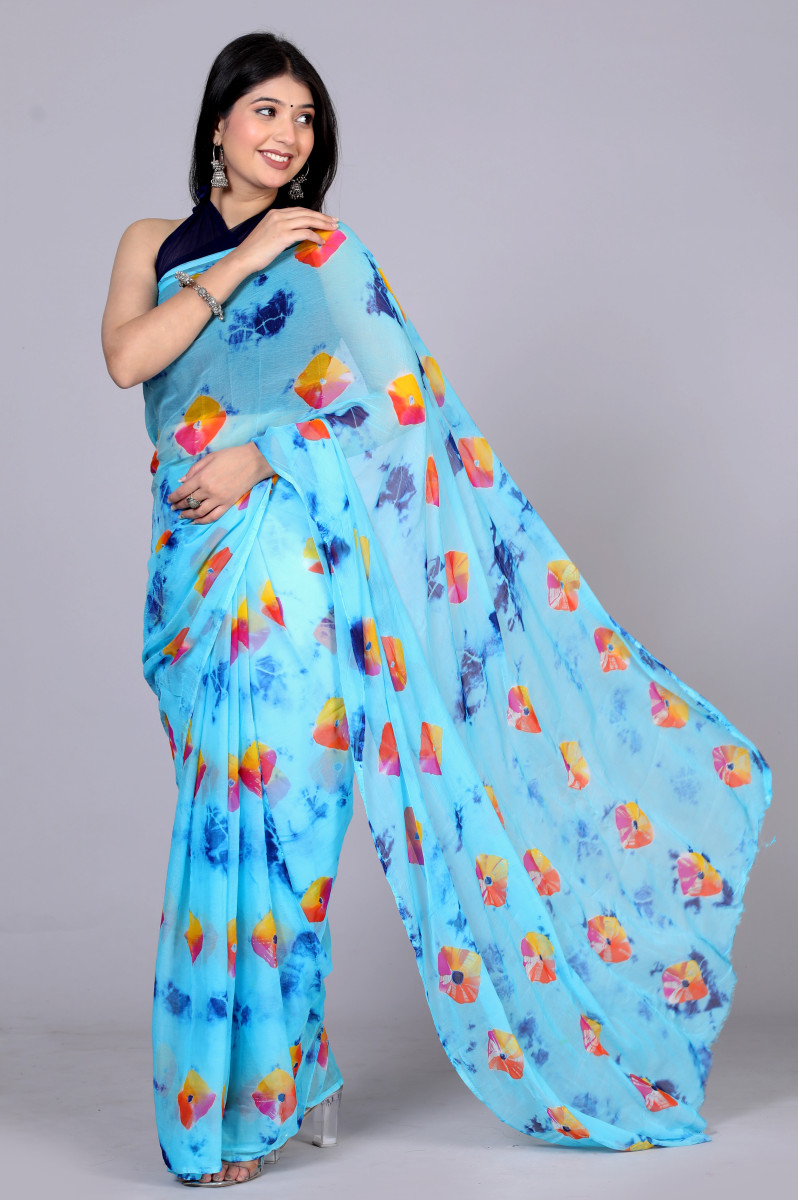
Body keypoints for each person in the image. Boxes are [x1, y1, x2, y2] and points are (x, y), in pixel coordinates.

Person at [101, 30, 772, 1187]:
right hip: (193, 582)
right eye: (267, 110)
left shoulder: (328, 253)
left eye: (306, 118)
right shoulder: (151, 244)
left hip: (292, 582)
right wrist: (242, 256)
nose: (288, 134)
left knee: (286, 834)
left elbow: (407, 410)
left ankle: (252, 1109)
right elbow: (128, 361)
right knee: (219, 828)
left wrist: (268, 453)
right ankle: (285, 1077)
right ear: (218, 123)